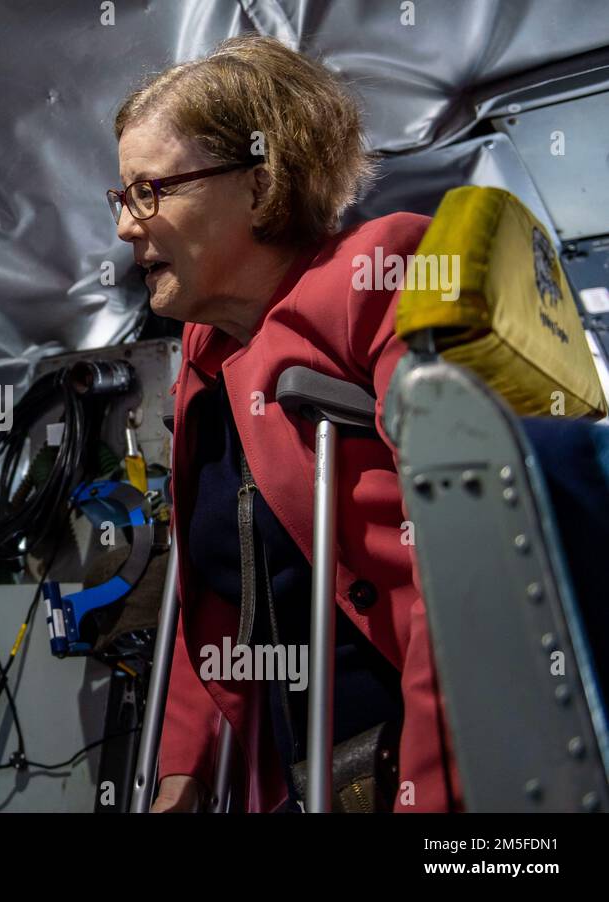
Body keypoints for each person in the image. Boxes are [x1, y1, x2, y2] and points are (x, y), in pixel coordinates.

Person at [110, 36, 459, 812]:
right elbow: (220, 595)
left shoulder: (386, 275)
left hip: (437, 757)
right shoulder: (204, 348)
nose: (129, 226)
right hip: (301, 776)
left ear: (261, 185)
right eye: (122, 198)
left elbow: (466, 562)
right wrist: (182, 779)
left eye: (149, 191)